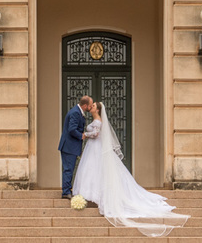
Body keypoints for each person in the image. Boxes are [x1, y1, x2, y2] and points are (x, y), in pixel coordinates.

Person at [71, 100, 188, 238]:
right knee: (93, 172)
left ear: (97, 110)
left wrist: (85, 135)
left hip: (96, 149)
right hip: (94, 149)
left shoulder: (98, 121)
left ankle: (98, 197)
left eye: (94, 106)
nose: (91, 107)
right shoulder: (95, 119)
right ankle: (93, 196)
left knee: (97, 171)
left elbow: (96, 134)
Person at [58, 95, 92, 199]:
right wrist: (82, 136)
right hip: (69, 146)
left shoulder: (77, 111)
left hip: (70, 146)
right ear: (85, 105)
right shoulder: (76, 113)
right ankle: (66, 192)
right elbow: (72, 129)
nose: (90, 108)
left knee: (69, 168)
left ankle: (67, 189)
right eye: (90, 106)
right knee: (68, 169)